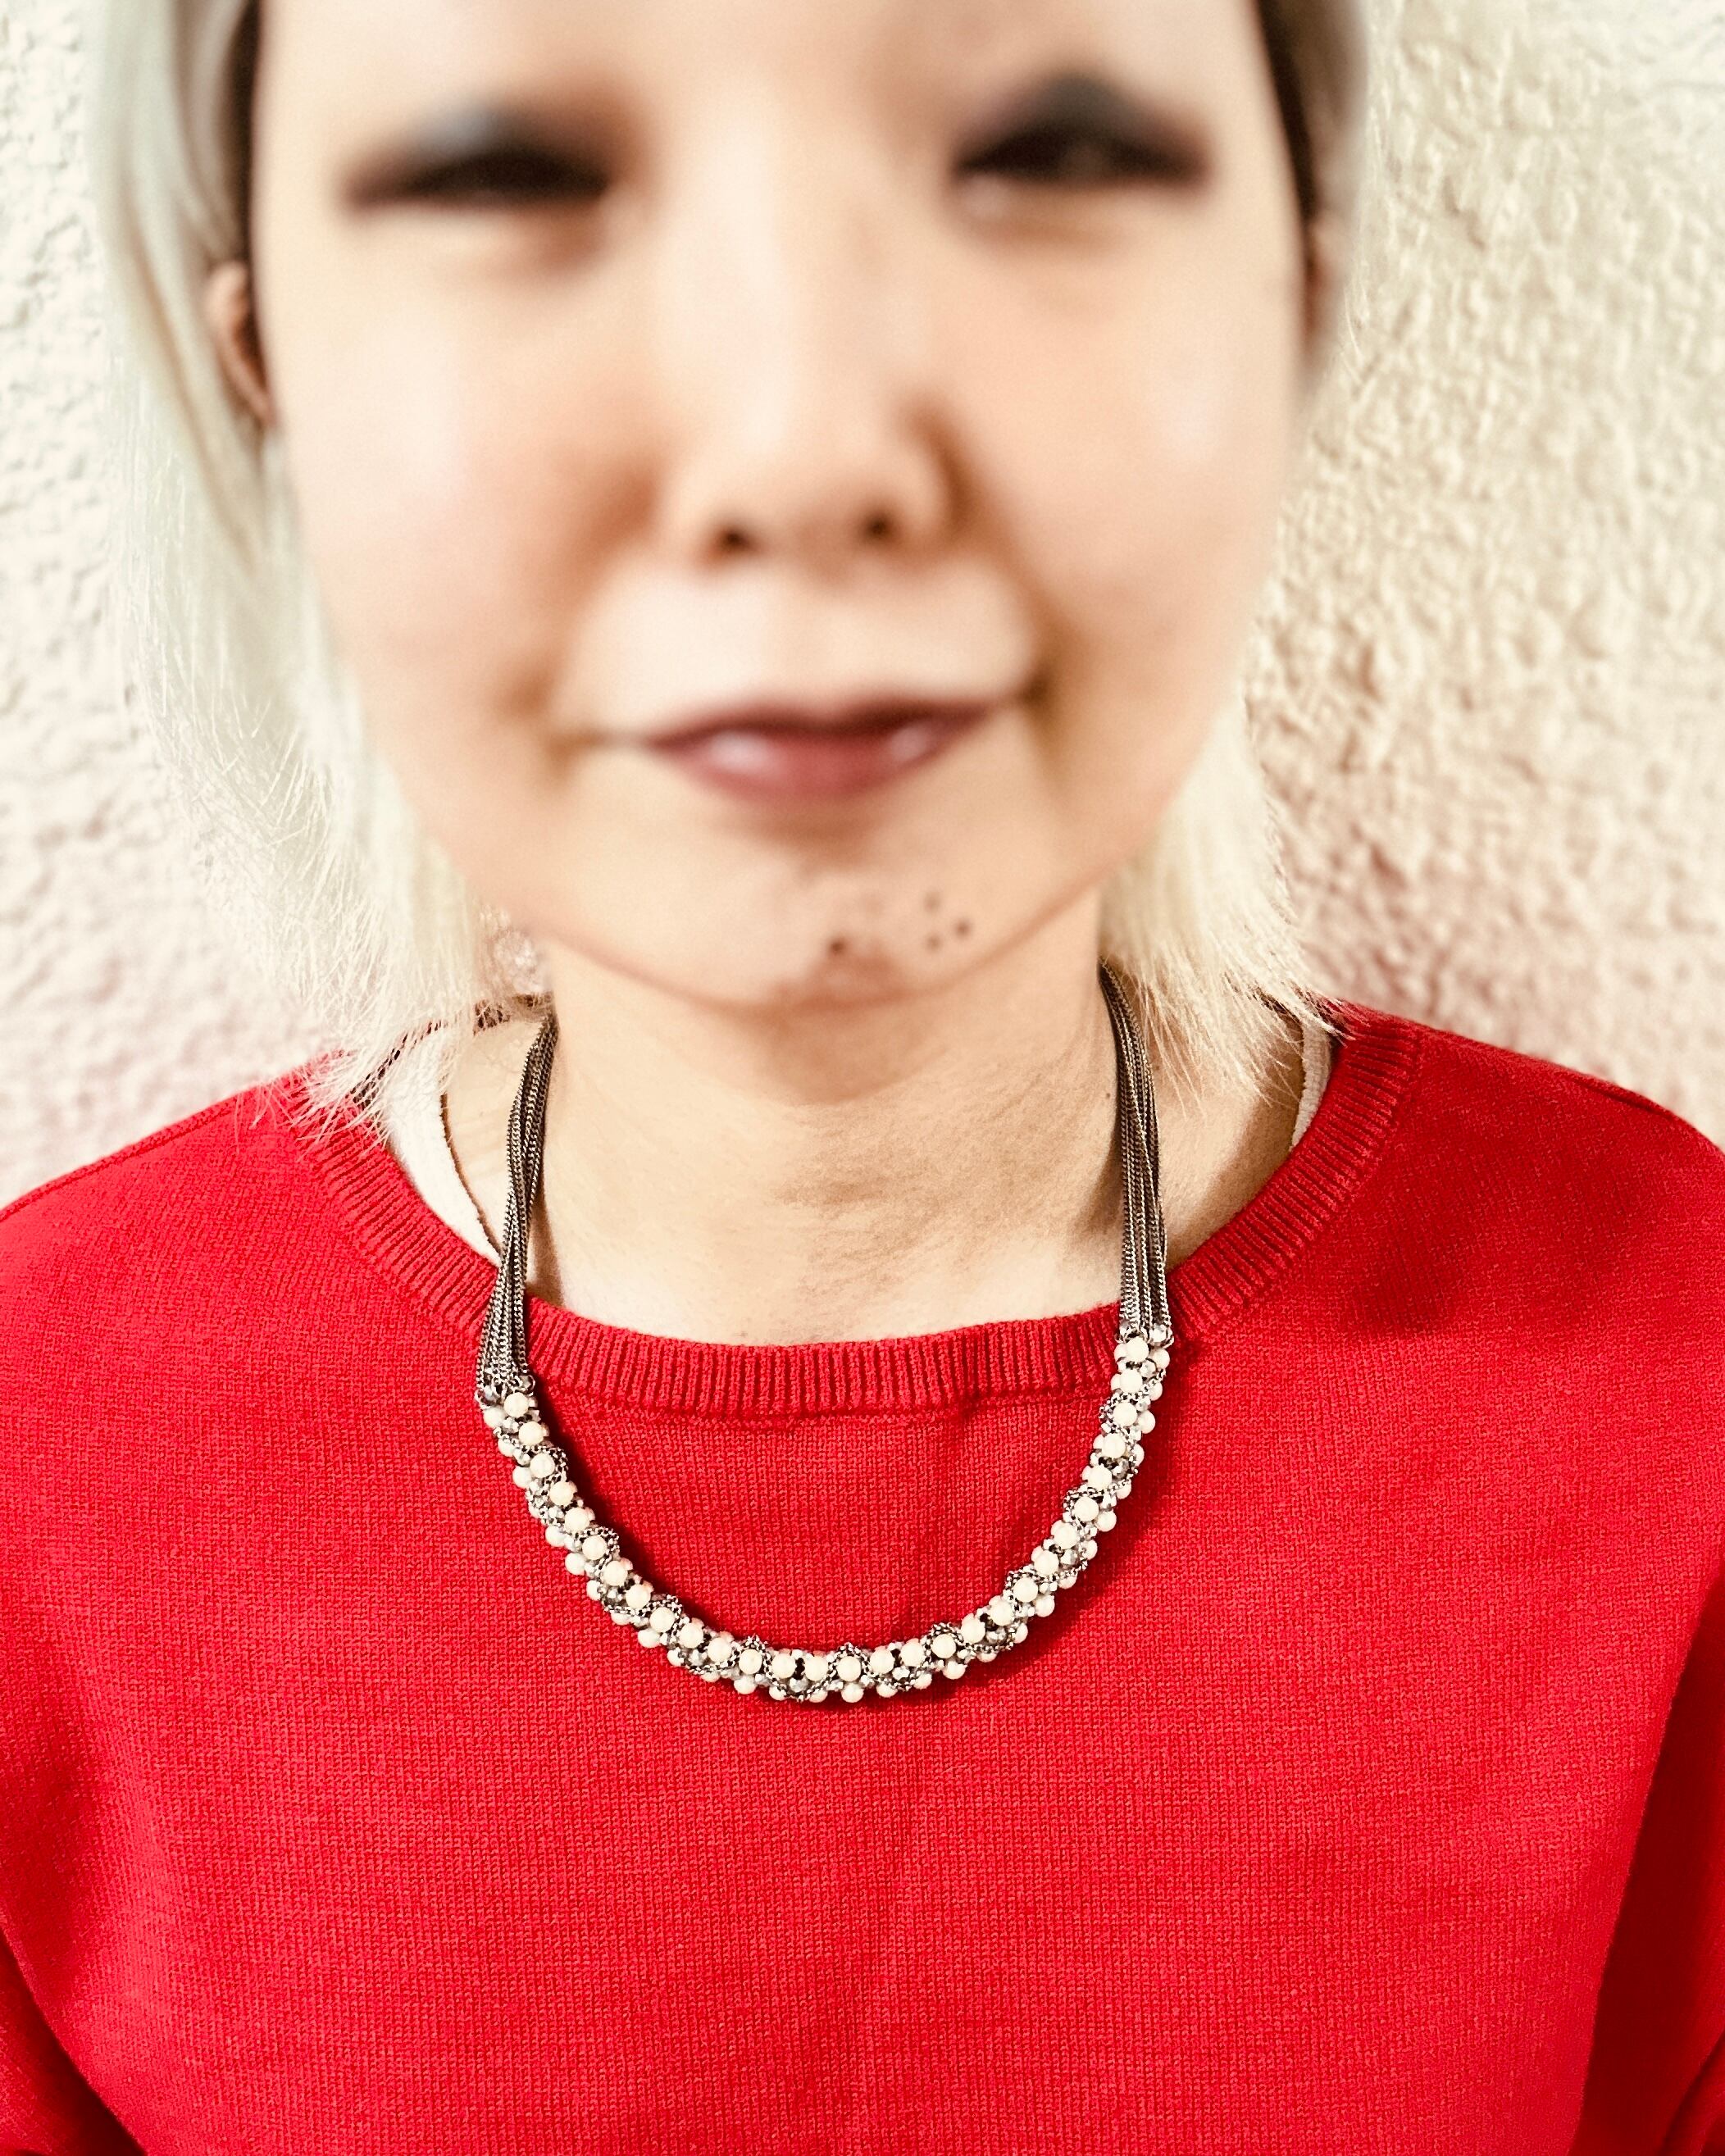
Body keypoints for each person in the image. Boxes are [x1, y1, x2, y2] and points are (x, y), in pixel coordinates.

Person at [1, 0, 1720, 2148]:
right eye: (505, 174)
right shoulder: (37, 1478)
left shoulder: (1679, 1403)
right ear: (270, 370)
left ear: (1293, 298)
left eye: (1052, 149)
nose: (802, 457)